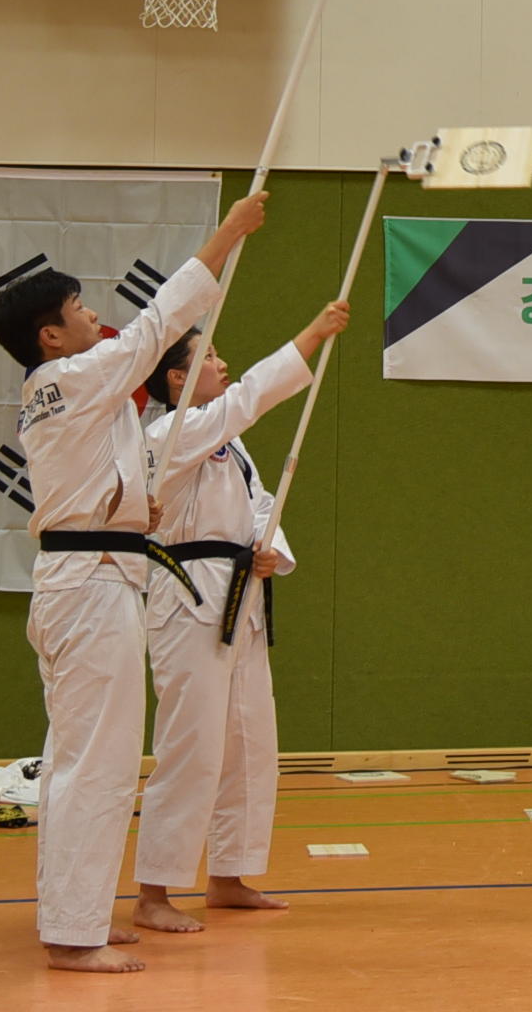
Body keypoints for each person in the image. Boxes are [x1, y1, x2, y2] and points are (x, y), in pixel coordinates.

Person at [0, 189, 267, 973]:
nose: (90, 315)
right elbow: (153, 331)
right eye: (77, 307)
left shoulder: (76, 389)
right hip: (89, 579)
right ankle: (71, 933)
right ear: (50, 333)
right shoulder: (68, 381)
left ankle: (76, 914)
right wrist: (227, 237)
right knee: (94, 763)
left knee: (91, 756)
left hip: (97, 577)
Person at [130, 298, 352, 932]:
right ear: (177, 377)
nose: (223, 364)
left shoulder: (233, 445)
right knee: (190, 747)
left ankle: (228, 876)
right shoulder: (167, 433)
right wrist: (312, 331)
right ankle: (154, 892)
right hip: (189, 598)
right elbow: (250, 396)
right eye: (212, 355)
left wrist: (268, 549)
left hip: (240, 600)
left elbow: (262, 506)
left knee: (251, 744)